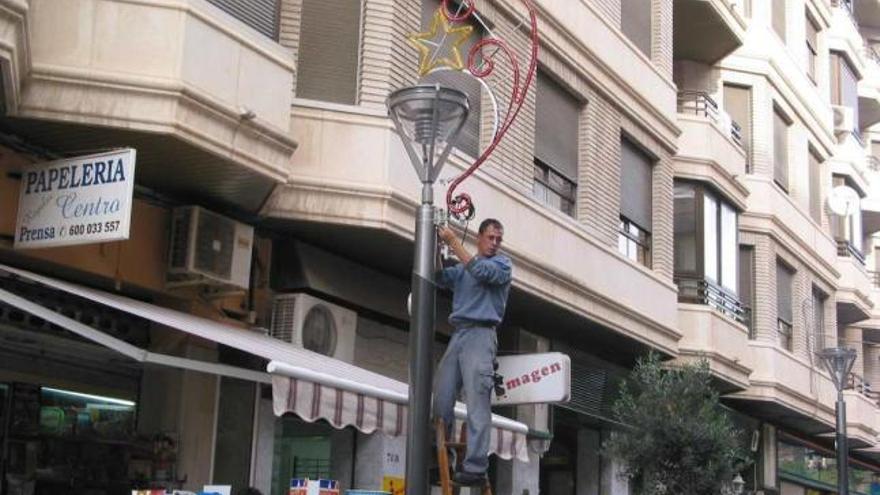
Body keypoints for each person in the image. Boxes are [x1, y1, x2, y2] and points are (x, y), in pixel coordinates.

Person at [434, 218, 512, 486]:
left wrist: (453, 241)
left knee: (477, 402)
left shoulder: (502, 265)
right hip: (459, 334)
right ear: (479, 237)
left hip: (482, 335)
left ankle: (475, 467)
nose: (494, 243)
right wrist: (435, 245)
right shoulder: (463, 268)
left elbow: (481, 272)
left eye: (498, 239)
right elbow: (440, 276)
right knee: (442, 396)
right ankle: (440, 458)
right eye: (490, 238)